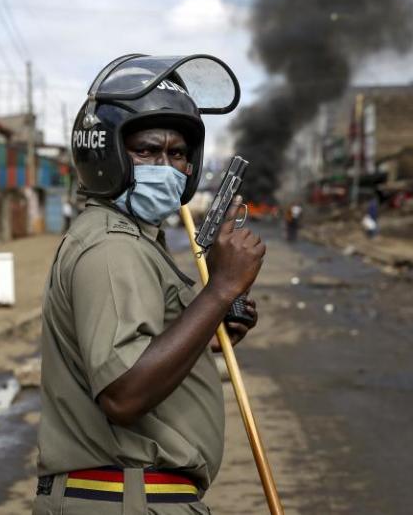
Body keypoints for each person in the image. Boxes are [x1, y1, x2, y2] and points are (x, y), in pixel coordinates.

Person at [34, 54, 266, 514]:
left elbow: (140, 348)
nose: (166, 166)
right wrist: (220, 290)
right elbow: (124, 393)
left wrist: (208, 328)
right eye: (147, 150)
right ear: (106, 154)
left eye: (177, 154)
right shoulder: (111, 248)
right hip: (126, 498)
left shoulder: (136, 241)